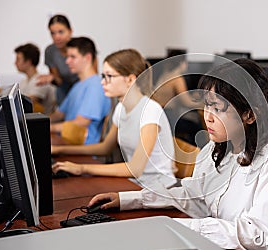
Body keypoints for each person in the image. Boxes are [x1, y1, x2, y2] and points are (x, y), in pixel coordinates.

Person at [87, 58, 268, 250]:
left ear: (250, 115)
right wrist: (131, 199)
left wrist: (179, 226)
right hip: (228, 243)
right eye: (207, 106)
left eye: (218, 108)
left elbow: (258, 235)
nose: (208, 116)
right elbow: (192, 193)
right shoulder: (215, 149)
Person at [52, 49, 176, 187]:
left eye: (109, 76)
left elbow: (136, 168)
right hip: (137, 184)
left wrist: (82, 168)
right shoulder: (120, 108)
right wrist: (60, 150)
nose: (103, 82)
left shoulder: (150, 110)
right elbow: (104, 148)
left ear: (130, 79)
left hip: (159, 188)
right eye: (103, 76)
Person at [49, 37, 111, 145]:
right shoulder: (78, 85)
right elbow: (59, 114)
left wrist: (50, 128)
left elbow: (81, 122)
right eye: (67, 57)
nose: (67, 61)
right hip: (68, 143)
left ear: (87, 58)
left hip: (83, 150)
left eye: (72, 57)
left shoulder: (96, 85)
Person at [151, 49, 204, 146]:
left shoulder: (165, 74)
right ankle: (194, 154)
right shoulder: (177, 79)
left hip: (160, 114)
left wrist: (193, 96)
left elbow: (177, 96)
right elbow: (187, 103)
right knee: (197, 128)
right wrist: (205, 104)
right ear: (182, 63)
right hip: (169, 117)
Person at [37, 14, 78, 105]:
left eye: (61, 32)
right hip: (64, 88)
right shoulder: (50, 51)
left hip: (83, 86)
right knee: (60, 91)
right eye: (53, 33)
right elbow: (59, 81)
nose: (57, 37)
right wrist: (52, 78)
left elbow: (92, 77)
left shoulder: (82, 47)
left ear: (70, 31)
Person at [14, 43, 56, 115]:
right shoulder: (24, 82)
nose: (15, 63)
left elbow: (27, 103)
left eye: (18, 59)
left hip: (43, 122)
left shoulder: (41, 81)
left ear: (28, 62)